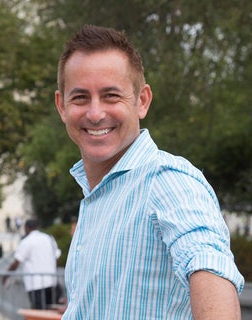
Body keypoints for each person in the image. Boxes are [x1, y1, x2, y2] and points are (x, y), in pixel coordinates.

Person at [54, 24, 244, 319]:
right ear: (61, 106)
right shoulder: (98, 198)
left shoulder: (167, 180)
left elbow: (209, 265)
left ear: (142, 101)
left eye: (111, 96)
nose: (94, 113)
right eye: (80, 97)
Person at [3, 219, 61, 310]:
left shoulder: (27, 241)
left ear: (26, 228)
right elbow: (57, 257)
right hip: (52, 282)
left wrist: (5, 276)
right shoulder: (49, 238)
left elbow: (16, 262)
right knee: (51, 312)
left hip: (35, 285)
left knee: (38, 314)